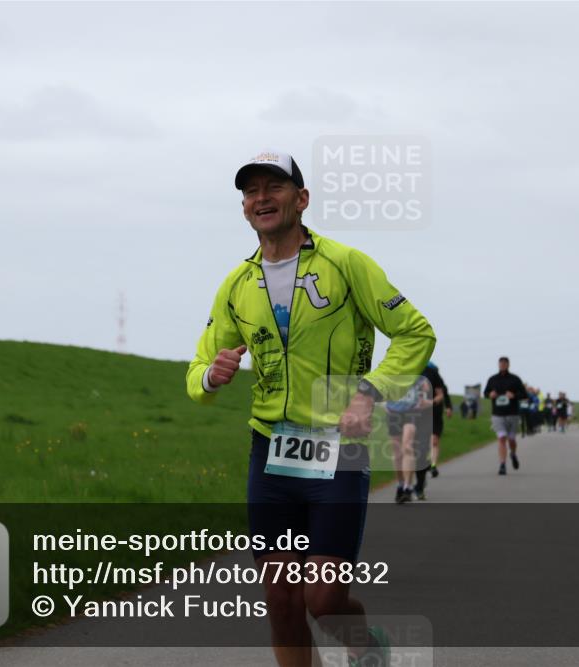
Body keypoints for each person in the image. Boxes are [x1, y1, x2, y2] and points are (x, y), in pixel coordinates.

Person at [187, 150, 436, 667]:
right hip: (271, 451)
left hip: (339, 450)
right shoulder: (236, 285)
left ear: (301, 199)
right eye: (251, 191)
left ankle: (368, 648)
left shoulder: (346, 264)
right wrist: (213, 374)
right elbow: (201, 368)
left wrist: (369, 392)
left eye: (274, 187)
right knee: (281, 601)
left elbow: (415, 332)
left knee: (322, 600)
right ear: (244, 209)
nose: (262, 198)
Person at [386, 375, 432, 504]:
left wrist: (424, 388)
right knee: (397, 453)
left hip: (411, 412)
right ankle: (400, 485)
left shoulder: (415, 373)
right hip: (393, 412)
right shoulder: (391, 371)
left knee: (407, 446)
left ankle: (408, 487)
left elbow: (426, 388)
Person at [483, 357, 528, 475]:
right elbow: (485, 393)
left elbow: (524, 394)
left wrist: (514, 395)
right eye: (500, 364)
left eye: (504, 364)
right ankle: (502, 464)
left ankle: (513, 454)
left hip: (512, 413)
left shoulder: (515, 379)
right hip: (497, 414)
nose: (502, 365)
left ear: (508, 365)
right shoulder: (492, 379)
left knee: (511, 439)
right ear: (498, 365)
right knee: (502, 438)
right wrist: (490, 394)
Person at [417, 360, 451, 486]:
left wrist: (448, 407)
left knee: (434, 440)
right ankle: (423, 467)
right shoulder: (410, 372)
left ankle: (433, 465)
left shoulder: (434, 376)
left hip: (435, 413)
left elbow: (444, 394)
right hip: (417, 414)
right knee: (421, 445)